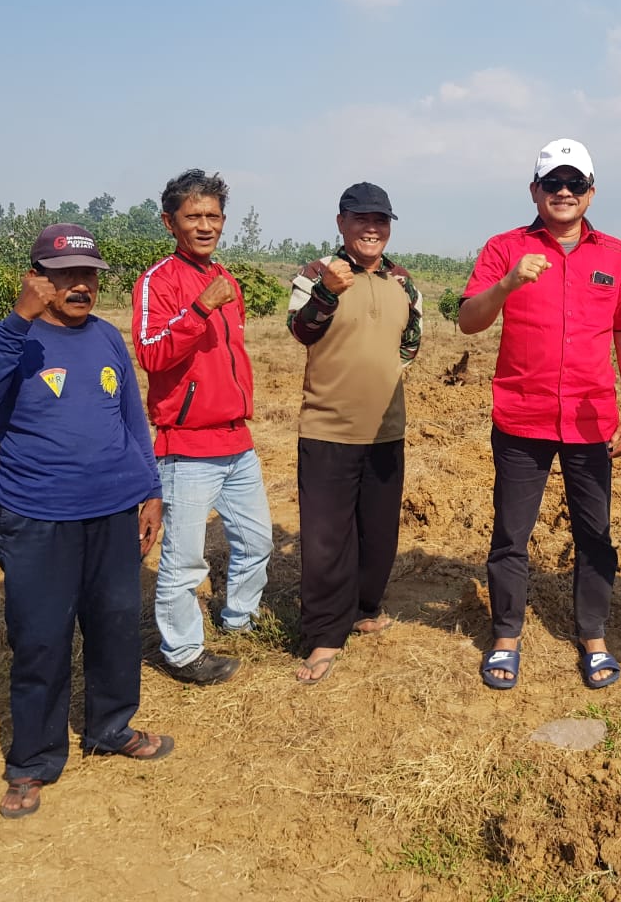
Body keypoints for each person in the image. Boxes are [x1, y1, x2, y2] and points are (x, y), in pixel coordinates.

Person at [0, 223, 172, 820]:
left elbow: (132, 417)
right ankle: (32, 760)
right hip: (37, 515)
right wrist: (17, 320)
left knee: (115, 627)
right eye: (65, 275)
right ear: (38, 279)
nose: (80, 286)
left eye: (89, 275)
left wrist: (150, 490)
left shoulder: (106, 338)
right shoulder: (10, 338)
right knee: (41, 638)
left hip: (111, 513)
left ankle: (112, 728)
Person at [460, 138, 621, 690]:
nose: (563, 193)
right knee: (511, 535)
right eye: (552, 184)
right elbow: (470, 321)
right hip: (522, 416)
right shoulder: (505, 248)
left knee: (595, 535)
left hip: (591, 421)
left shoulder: (613, 255)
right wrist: (508, 283)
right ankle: (506, 637)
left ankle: (593, 636)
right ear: (534, 191)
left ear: (591, 191)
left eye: (574, 183)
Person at [132, 169, 273, 685]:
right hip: (186, 446)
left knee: (256, 541)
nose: (205, 224)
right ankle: (183, 650)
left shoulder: (227, 278)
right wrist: (198, 309)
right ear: (170, 222)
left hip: (237, 439)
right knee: (185, 560)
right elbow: (151, 353)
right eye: (193, 216)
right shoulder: (158, 281)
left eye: (213, 215)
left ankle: (239, 619)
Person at [286, 182, 422, 685]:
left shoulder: (402, 281)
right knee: (326, 537)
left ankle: (365, 607)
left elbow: (413, 341)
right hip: (327, 427)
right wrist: (328, 293)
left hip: (386, 430)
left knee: (379, 533)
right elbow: (301, 329)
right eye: (361, 219)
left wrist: (385, 369)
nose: (372, 228)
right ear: (341, 222)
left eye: (380, 221)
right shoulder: (318, 272)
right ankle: (324, 634)